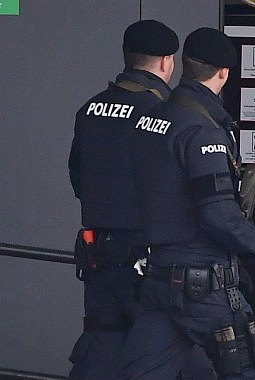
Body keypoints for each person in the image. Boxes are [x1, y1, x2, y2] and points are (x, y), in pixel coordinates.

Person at [119, 27, 255, 379]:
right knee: (248, 371)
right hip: (203, 287)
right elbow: (217, 213)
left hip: (157, 281)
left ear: (184, 65)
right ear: (224, 73)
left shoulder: (152, 118)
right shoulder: (202, 131)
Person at [68, 20, 213, 379]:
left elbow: (77, 179)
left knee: (103, 350)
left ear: (125, 56)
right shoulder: (166, 114)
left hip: (100, 256)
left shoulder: (90, 110)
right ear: (167, 62)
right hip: (154, 261)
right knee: (174, 357)